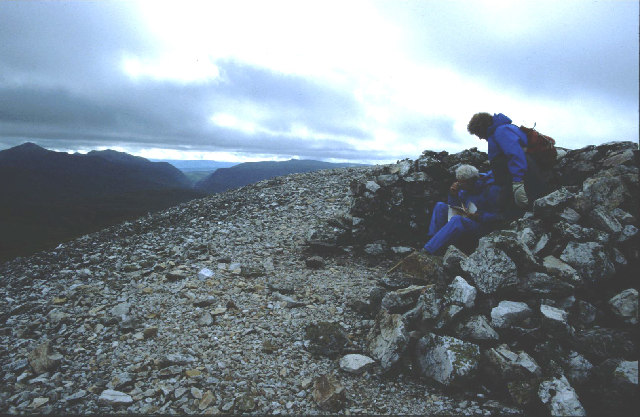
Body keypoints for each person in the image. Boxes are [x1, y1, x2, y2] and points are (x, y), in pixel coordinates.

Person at [467, 112, 547, 210]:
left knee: (517, 210)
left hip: (524, 178)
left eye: (478, 133)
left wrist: (518, 183)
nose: (479, 137)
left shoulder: (501, 131)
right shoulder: (499, 131)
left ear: (482, 127)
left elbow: (515, 155)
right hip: (514, 177)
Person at [422, 164, 506, 255]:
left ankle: (428, 251)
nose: (459, 185)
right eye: (458, 182)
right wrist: (453, 195)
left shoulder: (491, 189)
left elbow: (500, 216)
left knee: (457, 220)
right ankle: (434, 242)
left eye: (462, 183)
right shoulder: (465, 189)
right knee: (440, 206)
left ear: (472, 180)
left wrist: (479, 216)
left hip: (484, 226)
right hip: (470, 220)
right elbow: (455, 207)